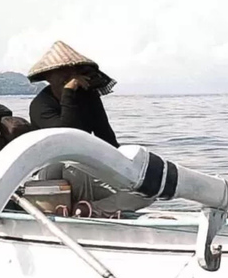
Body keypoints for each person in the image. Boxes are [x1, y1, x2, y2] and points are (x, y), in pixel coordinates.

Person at [27, 41, 151, 217]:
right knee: (76, 165)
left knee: (146, 191)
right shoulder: (40, 105)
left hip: (83, 168)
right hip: (53, 170)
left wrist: (124, 169)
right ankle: (80, 208)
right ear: (48, 77)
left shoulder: (89, 97)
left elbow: (105, 136)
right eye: (60, 72)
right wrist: (69, 93)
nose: (67, 76)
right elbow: (67, 139)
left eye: (72, 71)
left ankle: (91, 209)